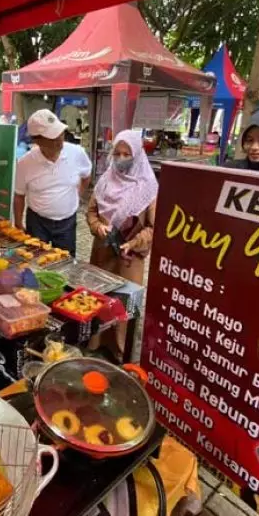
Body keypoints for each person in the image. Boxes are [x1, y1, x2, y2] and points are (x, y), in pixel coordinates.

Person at [86, 130, 158, 361]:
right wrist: (97, 227)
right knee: (99, 299)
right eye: (117, 153)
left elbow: (154, 228)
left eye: (128, 153)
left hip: (129, 258)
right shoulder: (106, 179)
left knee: (125, 305)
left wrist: (135, 242)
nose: (121, 158)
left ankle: (120, 351)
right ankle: (96, 343)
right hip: (102, 253)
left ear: (137, 155)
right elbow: (91, 212)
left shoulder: (148, 187)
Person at [14, 109, 92, 255]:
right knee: (36, 258)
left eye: (60, 133)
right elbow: (19, 195)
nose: (59, 139)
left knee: (66, 260)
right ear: (37, 140)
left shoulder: (77, 153)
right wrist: (18, 222)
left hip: (67, 221)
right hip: (37, 221)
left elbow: (86, 175)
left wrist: (78, 195)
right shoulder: (25, 163)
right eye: (52, 136)